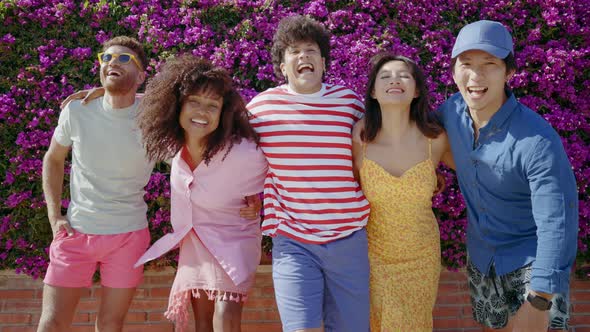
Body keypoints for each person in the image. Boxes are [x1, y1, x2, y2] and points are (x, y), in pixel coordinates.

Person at [438, 20, 578, 331]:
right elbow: (417, 138)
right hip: (482, 260)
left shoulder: (537, 140)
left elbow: (558, 222)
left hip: (530, 265)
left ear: (509, 73)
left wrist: (540, 298)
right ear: (452, 72)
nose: (476, 76)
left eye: (489, 64)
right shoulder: (450, 113)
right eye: (467, 64)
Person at [246, 15, 371, 332]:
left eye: (311, 50)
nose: (304, 56)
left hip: (349, 238)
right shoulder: (260, 109)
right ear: (283, 66)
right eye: (294, 51)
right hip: (293, 241)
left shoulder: (349, 103)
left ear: (324, 61)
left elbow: (381, 144)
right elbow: (224, 145)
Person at [132, 54, 268, 332]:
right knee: (202, 321)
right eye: (194, 101)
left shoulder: (243, 151)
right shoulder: (174, 149)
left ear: (223, 113)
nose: (202, 112)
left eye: (212, 106)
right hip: (195, 239)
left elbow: (277, 174)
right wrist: (95, 92)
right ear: (176, 106)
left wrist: (259, 200)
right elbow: (128, 101)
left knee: (226, 313)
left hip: (234, 236)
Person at [39, 36, 154, 332]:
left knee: (110, 325)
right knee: (52, 324)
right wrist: (54, 216)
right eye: (107, 57)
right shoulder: (77, 111)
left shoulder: (154, 118)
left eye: (124, 58)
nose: (112, 62)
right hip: (76, 233)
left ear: (141, 76)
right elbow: (53, 159)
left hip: (129, 236)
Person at [352, 52, 454, 331]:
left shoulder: (436, 138)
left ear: (416, 89)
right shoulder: (360, 138)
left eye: (404, 75)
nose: (394, 80)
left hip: (421, 256)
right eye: (385, 76)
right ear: (373, 91)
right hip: (374, 255)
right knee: (380, 322)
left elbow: (477, 172)